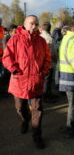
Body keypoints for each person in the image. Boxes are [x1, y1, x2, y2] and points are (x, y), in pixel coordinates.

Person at [2, 15, 51, 149]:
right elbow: (6, 57)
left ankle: (37, 136)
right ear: (24, 24)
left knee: (38, 110)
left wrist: (43, 72)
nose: (34, 26)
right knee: (20, 108)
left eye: (36, 24)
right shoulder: (15, 39)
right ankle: (25, 119)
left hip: (36, 81)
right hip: (19, 82)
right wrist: (14, 70)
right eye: (31, 23)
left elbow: (47, 59)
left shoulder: (41, 41)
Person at [40, 22, 58, 102]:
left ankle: (48, 93)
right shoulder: (49, 38)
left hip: (42, 62)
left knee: (45, 80)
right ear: (50, 28)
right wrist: (55, 58)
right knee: (47, 80)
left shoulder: (40, 36)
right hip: (49, 63)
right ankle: (46, 97)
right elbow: (52, 52)